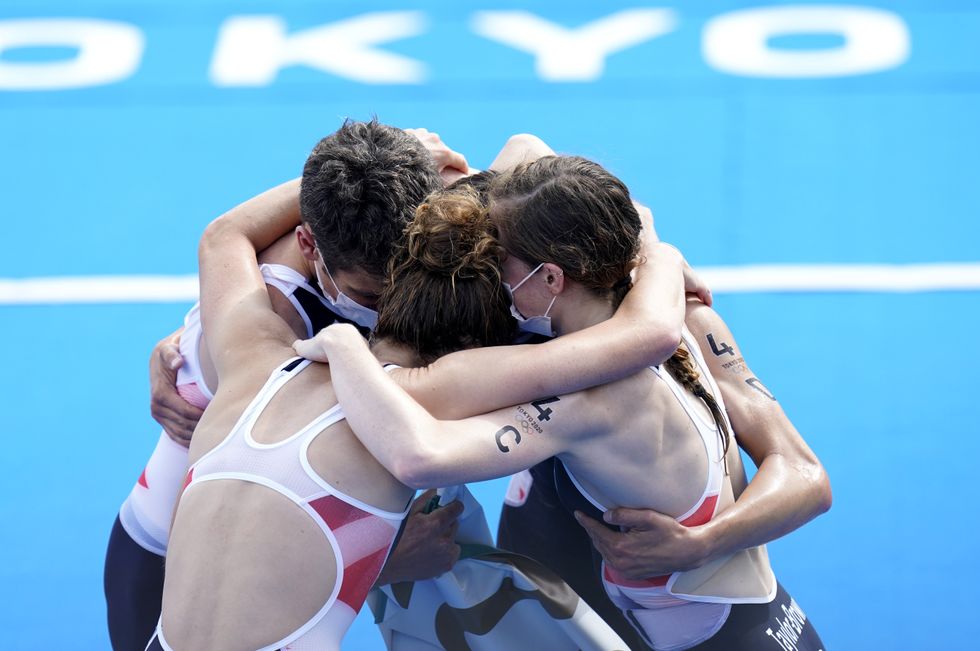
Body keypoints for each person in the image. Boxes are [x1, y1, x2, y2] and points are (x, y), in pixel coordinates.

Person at [150, 159, 699, 648]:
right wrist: (656, 250)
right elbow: (651, 333)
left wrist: (380, 166)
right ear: (474, 344)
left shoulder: (250, 354)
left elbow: (223, 236)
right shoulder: (432, 390)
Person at [297, 156, 830, 650]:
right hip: (745, 618)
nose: (491, 274)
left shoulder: (584, 403)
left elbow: (422, 449)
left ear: (551, 276)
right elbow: (529, 152)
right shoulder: (687, 316)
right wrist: (658, 252)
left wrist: (346, 347)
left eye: (499, 259)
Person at [104, 118, 469, 650]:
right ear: (309, 243)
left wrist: (399, 160)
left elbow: (225, 234)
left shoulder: (408, 218)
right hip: (168, 569)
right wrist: (382, 561)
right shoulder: (273, 307)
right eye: (370, 296)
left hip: (309, 538)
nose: (394, 310)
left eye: (407, 280)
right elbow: (243, 558)